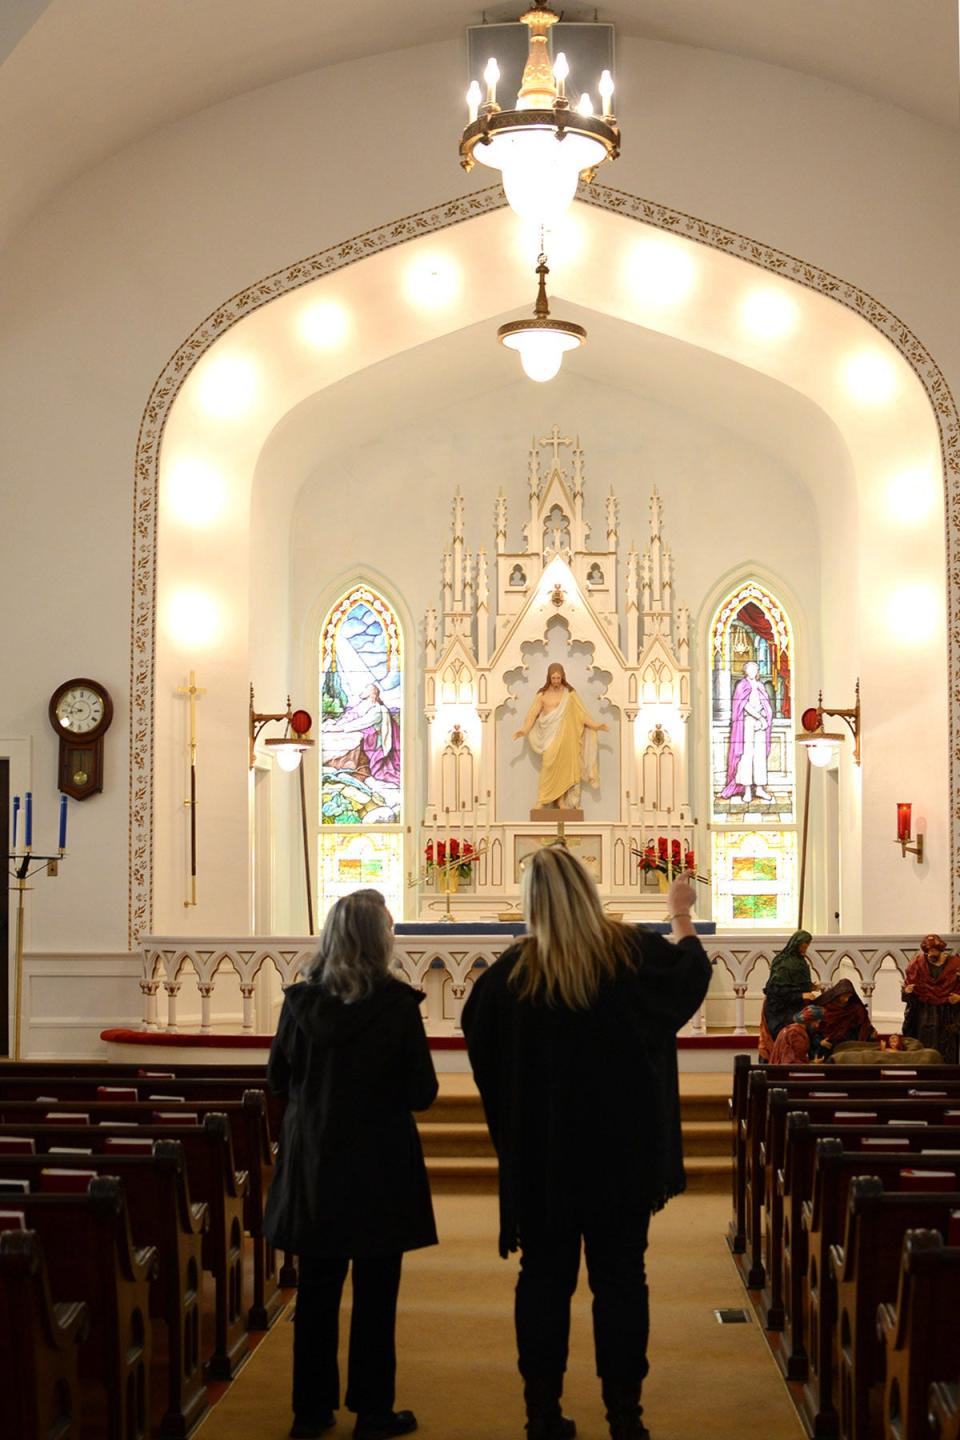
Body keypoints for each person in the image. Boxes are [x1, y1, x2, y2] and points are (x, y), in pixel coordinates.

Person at [461, 847, 711, 1440]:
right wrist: (680, 915)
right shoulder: (629, 954)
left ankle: (541, 1414)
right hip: (620, 1156)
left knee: (543, 1279)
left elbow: (480, 1043)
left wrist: (521, 1107)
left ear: (531, 902)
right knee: (622, 1278)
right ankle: (626, 1416)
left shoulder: (510, 976)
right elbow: (689, 979)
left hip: (545, 1160)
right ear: (590, 892)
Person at [264, 890, 438, 1440]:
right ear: (379, 940)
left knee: (316, 1293)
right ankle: (372, 1410)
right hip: (380, 1168)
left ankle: (309, 1413)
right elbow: (421, 1093)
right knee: (375, 1294)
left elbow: (277, 1080)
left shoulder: (299, 1004)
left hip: (317, 1163)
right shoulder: (396, 1006)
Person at [513, 663, 609, 809]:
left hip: (566, 738)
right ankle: (542, 799)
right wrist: (524, 730)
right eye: (553, 678)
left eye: (558, 678)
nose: (556, 681)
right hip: (549, 738)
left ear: (562, 676)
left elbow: (581, 714)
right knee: (548, 765)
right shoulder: (542, 695)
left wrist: (596, 725)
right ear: (549, 677)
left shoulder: (569, 694)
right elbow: (532, 714)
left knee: (564, 769)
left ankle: (560, 801)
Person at [767, 977, 877, 1064]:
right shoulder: (797, 1033)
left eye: (849, 996)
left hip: (844, 1046)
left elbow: (863, 1026)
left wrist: (870, 1033)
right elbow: (794, 1061)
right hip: (823, 1048)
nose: (846, 999)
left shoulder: (855, 1008)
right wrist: (819, 1043)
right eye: (843, 996)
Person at [720, 660, 773, 804]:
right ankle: (747, 790)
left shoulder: (760, 686)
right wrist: (760, 717)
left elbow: (765, 704)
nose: (753, 671)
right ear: (745, 671)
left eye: (755, 669)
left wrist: (764, 720)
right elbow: (743, 705)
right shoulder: (741, 686)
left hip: (760, 725)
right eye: (750, 669)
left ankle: (760, 788)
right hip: (747, 723)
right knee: (747, 755)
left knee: (760, 756)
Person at [902, 932, 960, 1062]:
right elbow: (908, 986)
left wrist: (959, 998)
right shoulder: (918, 964)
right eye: (928, 951)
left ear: (941, 949)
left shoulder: (955, 964)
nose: (931, 954)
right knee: (925, 1045)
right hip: (925, 1012)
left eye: (934, 950)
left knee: (946, 1045)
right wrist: (907, 991)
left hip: (947, 1012)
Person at [759, 930, 817, 1059]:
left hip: (795, 1006)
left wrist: (811, 987)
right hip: (779, 1010)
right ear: (797, 943)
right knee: (790, 1034)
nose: (806, 947)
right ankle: (781, 1061)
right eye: (804, 944)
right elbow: (776, 991)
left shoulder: (799, 960)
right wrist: (801, 995)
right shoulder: (783, 963)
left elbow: (797, 983)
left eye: (808, 944)